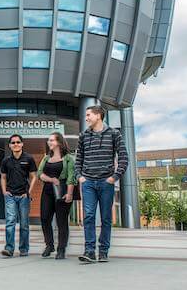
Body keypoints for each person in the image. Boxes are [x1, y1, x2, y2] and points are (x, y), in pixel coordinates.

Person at [75, 105, 128, 263]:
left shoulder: (114, 134)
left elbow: (124, 157)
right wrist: (80, 177)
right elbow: (78, 160)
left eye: (88, 115)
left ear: (98, 115)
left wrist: (114, 177)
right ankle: (89, 251)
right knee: (89, 216)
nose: (86, 118)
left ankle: (103, 251)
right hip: (88, 182)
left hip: (106, 182)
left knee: (105, 218)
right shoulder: (83, 136)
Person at [37, 132, 77, 260]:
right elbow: (39, 174)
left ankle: (61, 249)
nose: (49, 143)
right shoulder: (46, 158)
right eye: (48, 140)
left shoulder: (68, 158)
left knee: (61, 221)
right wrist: (51, 179)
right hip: (48, 190)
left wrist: (69, 193)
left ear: (59, 142)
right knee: (44, 218)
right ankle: (49, 245)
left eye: (52, 140)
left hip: (63, 190)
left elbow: (71, 177)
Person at [0, 134, 37, 258]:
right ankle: (9, 249)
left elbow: (33, 177)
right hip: (10, 195)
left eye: (18, 142)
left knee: (24, 224)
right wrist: (4, 191)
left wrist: (29, 193)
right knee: (10, 222)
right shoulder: (6, 160)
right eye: (13, 142)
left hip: (23, 196)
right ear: (10, 145)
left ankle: (23, 249)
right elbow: (3, 177)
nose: (15, 144)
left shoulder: (29, 158)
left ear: (22, 144)